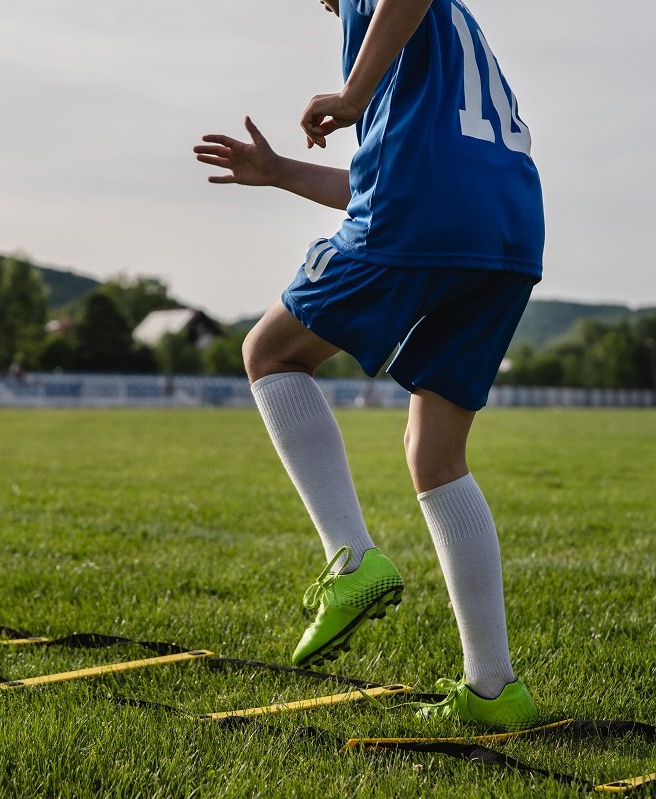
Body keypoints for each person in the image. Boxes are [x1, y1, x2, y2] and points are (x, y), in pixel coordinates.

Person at [195, 0, 543, 730]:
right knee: (435, 453)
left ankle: (350, 561)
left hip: (428, 208)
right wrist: (281, 171)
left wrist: (351, 95)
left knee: (269, 352)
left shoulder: (378, 13)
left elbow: (401, 188)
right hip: (510, 226)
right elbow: (384, 176)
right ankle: (494, 689)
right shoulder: (441, 37)